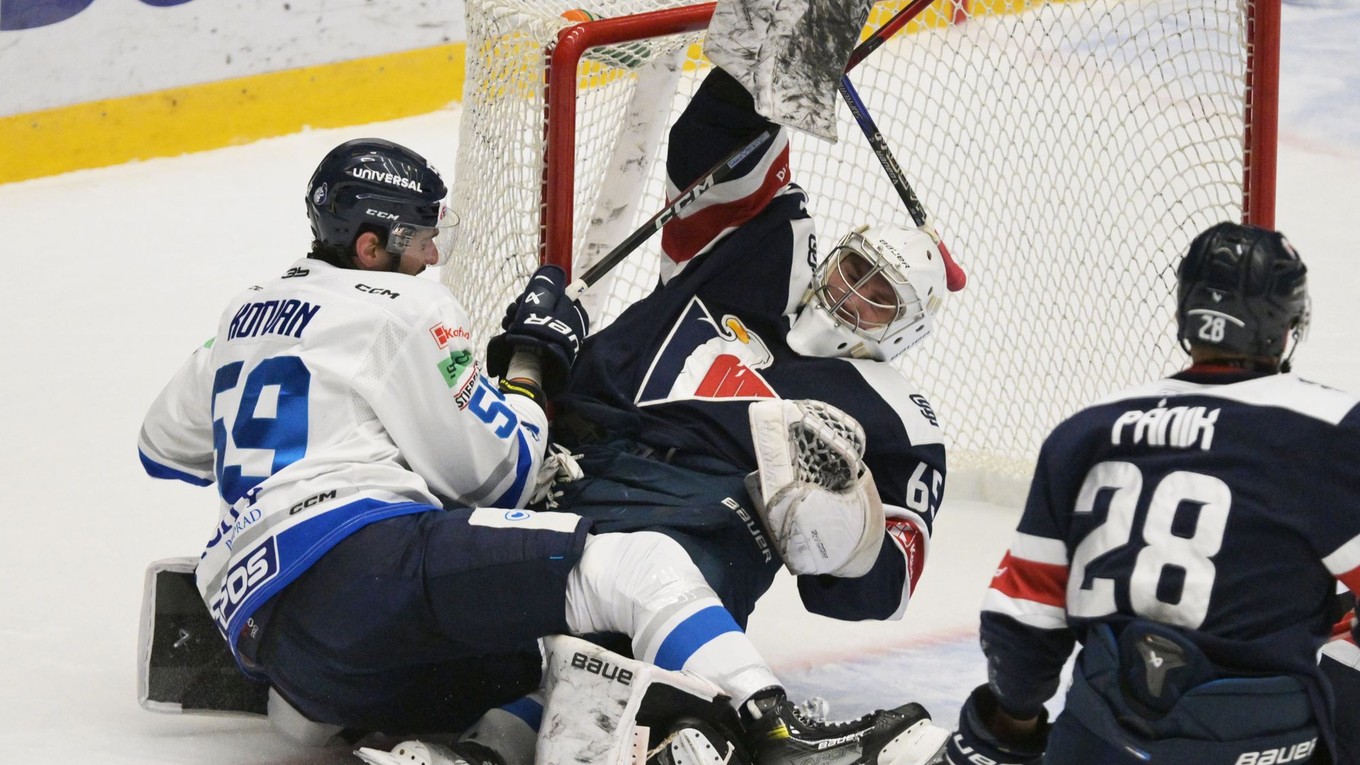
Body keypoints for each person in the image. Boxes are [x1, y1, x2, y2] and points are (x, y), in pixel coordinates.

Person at [137, 137, 948, 765]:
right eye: (421, 238)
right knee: (637, 573)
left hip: (249, 603)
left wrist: (850, 533)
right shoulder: (407, 308)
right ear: (372, 246)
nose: (435, 255)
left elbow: (163, 446)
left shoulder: (247, 308)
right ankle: (773, 727)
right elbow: (499, 466)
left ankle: (472, 748)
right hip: (370, 559)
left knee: (542, 639)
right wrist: (528, 365)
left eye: (880, 296)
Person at [527, 62, 953, 759]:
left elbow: (885, 586)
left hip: (701, 517)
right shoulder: (756, 254)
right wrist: (776, 52)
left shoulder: (900, 416)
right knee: (477, 605)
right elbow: (713, 136)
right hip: (568, 463)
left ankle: (680, 731)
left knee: (606, 643)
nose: (854, 294)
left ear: (904, 328)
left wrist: (844, 530)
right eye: (855, 268)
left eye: (881, 296)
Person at [939, 222, 1360, 764]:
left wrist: (1011, 724)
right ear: (1288, 323)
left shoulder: (1086, 430)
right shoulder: (1331, 430)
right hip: (1261, 745)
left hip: (1096, 741)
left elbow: (1024, 616)